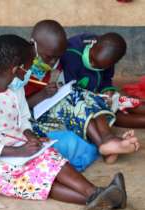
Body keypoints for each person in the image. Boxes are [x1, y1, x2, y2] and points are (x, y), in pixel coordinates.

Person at [0, 34, 127, 210]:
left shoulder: (15, 88)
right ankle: (102, 196)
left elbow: (23, 117)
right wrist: (19, 151)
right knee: (36, 178)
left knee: (49, 156)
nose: (31, 70)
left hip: (15, 145)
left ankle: (97, 194)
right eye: (29, 66)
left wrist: (29, 135)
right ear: (16, 69)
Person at [21, 20, 140, 164]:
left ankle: (106, 143)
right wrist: (43, 94)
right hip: (31, 120)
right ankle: (104, 143)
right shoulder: (20, 69)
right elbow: (18, 108)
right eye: (50, 57)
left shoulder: (43, 63)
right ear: (33, 43)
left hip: (47, 105)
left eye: (57, 58)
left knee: (84, 97)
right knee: (77, 101)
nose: (53, 63)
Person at [60, 32, 145, 128]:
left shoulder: (108, 59)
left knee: (124, 103)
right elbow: (69, 88)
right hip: (75, 96)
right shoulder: (71, 56)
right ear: (93, 45)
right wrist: (93, 98)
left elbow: (106, 78)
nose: (92, 64)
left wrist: (107, 90)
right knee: (112, 116)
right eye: (92, 59)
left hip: (97, 95)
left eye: (98, 66)